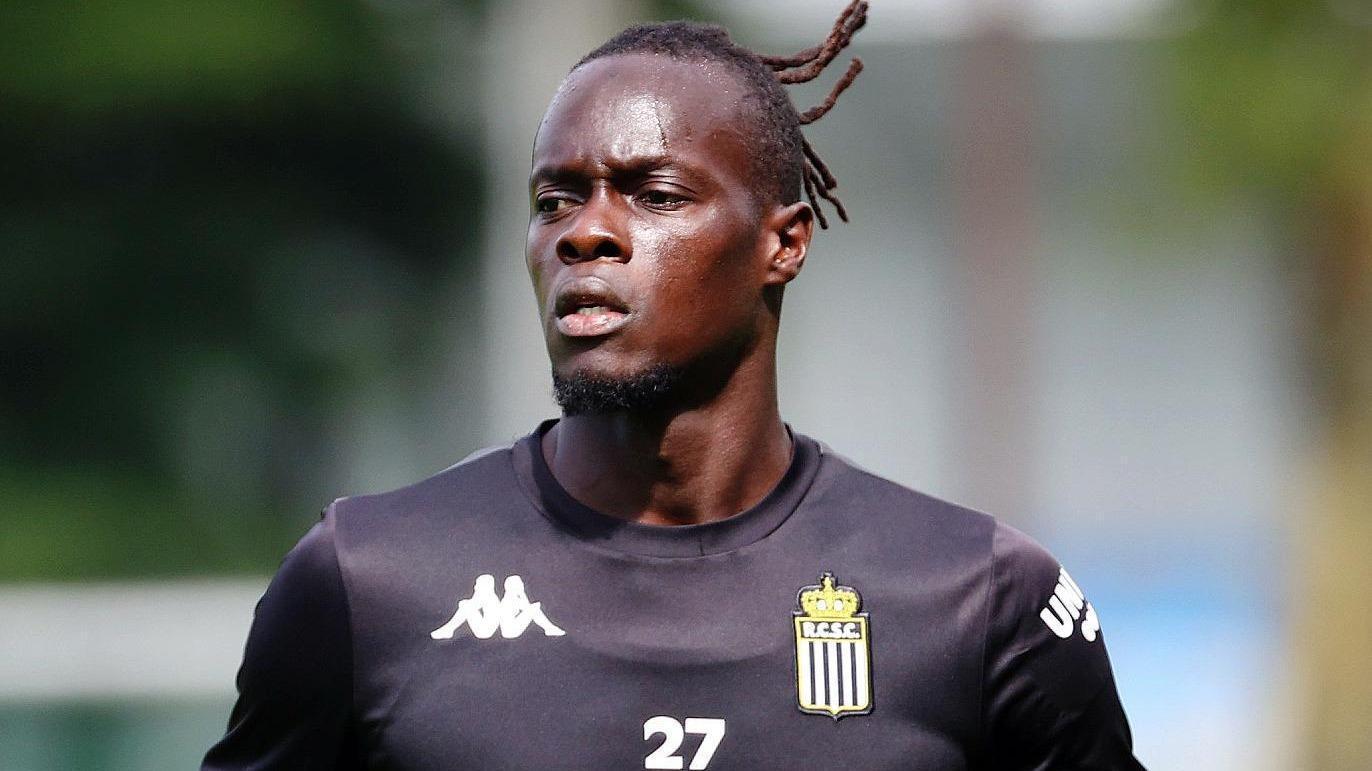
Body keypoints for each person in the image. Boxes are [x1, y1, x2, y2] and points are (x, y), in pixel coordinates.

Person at [203, 2, 1145, 768]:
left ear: (783, 243)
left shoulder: (980, 601)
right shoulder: (366, 583)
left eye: (654, 195)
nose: (585, 234)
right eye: (555, 200)